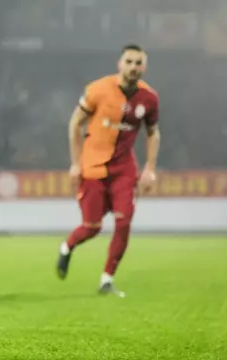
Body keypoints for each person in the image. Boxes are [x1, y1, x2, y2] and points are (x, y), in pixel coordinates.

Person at [56, 44, 161, 296]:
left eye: (138, 63)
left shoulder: (149, 98)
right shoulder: (98, 90)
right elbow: (75, 123)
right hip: (92, 168)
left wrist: (150, 168)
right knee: (91, 227)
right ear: (120, 64)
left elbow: (153, 132)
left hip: (124, 170)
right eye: (129, 62)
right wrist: (75, 163)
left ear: (144, 67)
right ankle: (67, 247)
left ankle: (107, 279)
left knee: (124, 222)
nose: (134, 67)